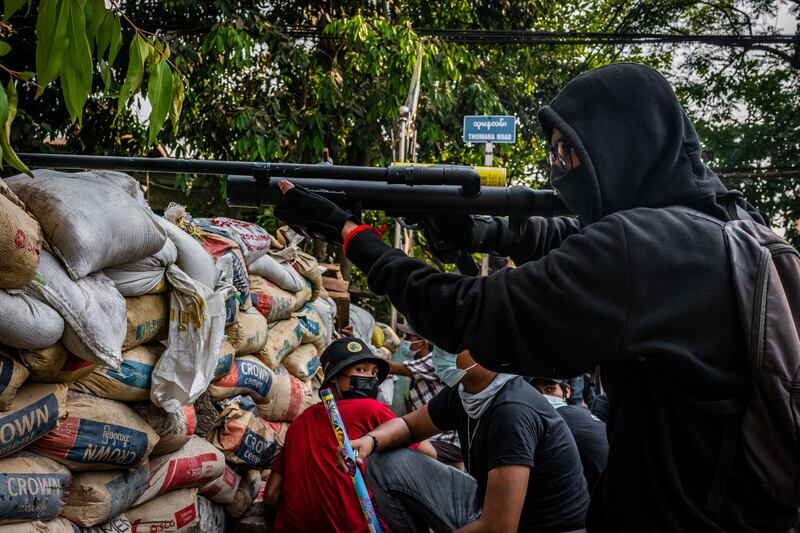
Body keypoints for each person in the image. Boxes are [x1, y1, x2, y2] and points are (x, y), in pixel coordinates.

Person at [273, 62, 800, 531]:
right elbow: (573, 237)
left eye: (572, 152)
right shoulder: (722, 223)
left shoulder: (641, 247)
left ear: (623, 145)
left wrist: (352, 236)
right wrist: (479, 233)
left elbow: (467, 312)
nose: (560, 167)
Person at [340, 347, 588, 532]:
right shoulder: (466, 393)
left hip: (540, 527)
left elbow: (498, 528)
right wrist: (370, 441)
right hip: (490, 507)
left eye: (455, 343)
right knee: (385, 462)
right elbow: (409, 425)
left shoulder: (511, 412)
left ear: (486, 347)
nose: (442, 351)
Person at [264, 337, 435, 532]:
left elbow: (271, 494)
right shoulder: (372, 409)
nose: (370, 378)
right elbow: (429, 453)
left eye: (374, 373)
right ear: (335, 377)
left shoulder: (300, 421)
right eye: (361, 370)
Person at [388, 322, 462, 468]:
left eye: (409, 338)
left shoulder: (432, 361)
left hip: (446, 440)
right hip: (435, 438)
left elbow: (392, 367)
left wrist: (363, 360)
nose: (405, 341)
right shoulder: (418, 364)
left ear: (424, 342)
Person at [529, 377, 608, 491]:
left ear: (567, 391)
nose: (543, 397)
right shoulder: (580, 412)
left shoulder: (559, 419)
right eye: (536, 393)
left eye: (550, 389)